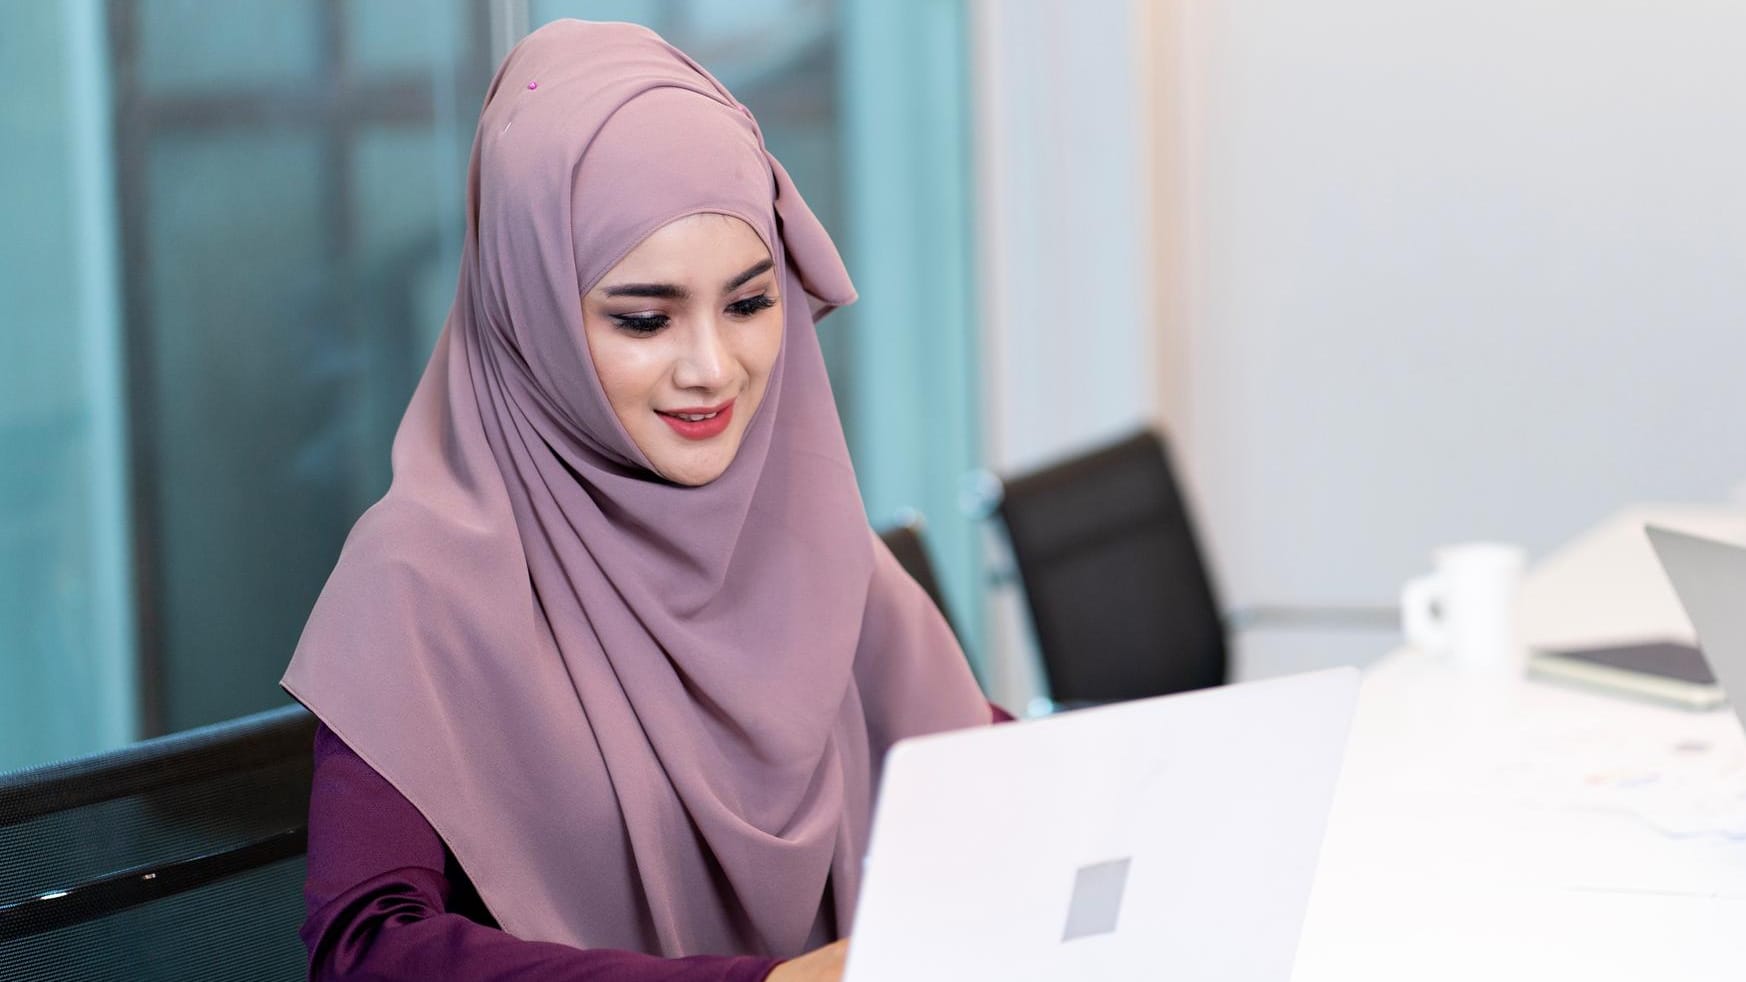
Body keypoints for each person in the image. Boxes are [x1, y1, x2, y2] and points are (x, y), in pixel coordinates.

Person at [280, 19, 999, 982]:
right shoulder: (416, 576)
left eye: (749, 304)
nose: (712, 369)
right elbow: (369, 952)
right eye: (645, 318)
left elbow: (995, 775)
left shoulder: (800, 531)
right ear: (529, 311)